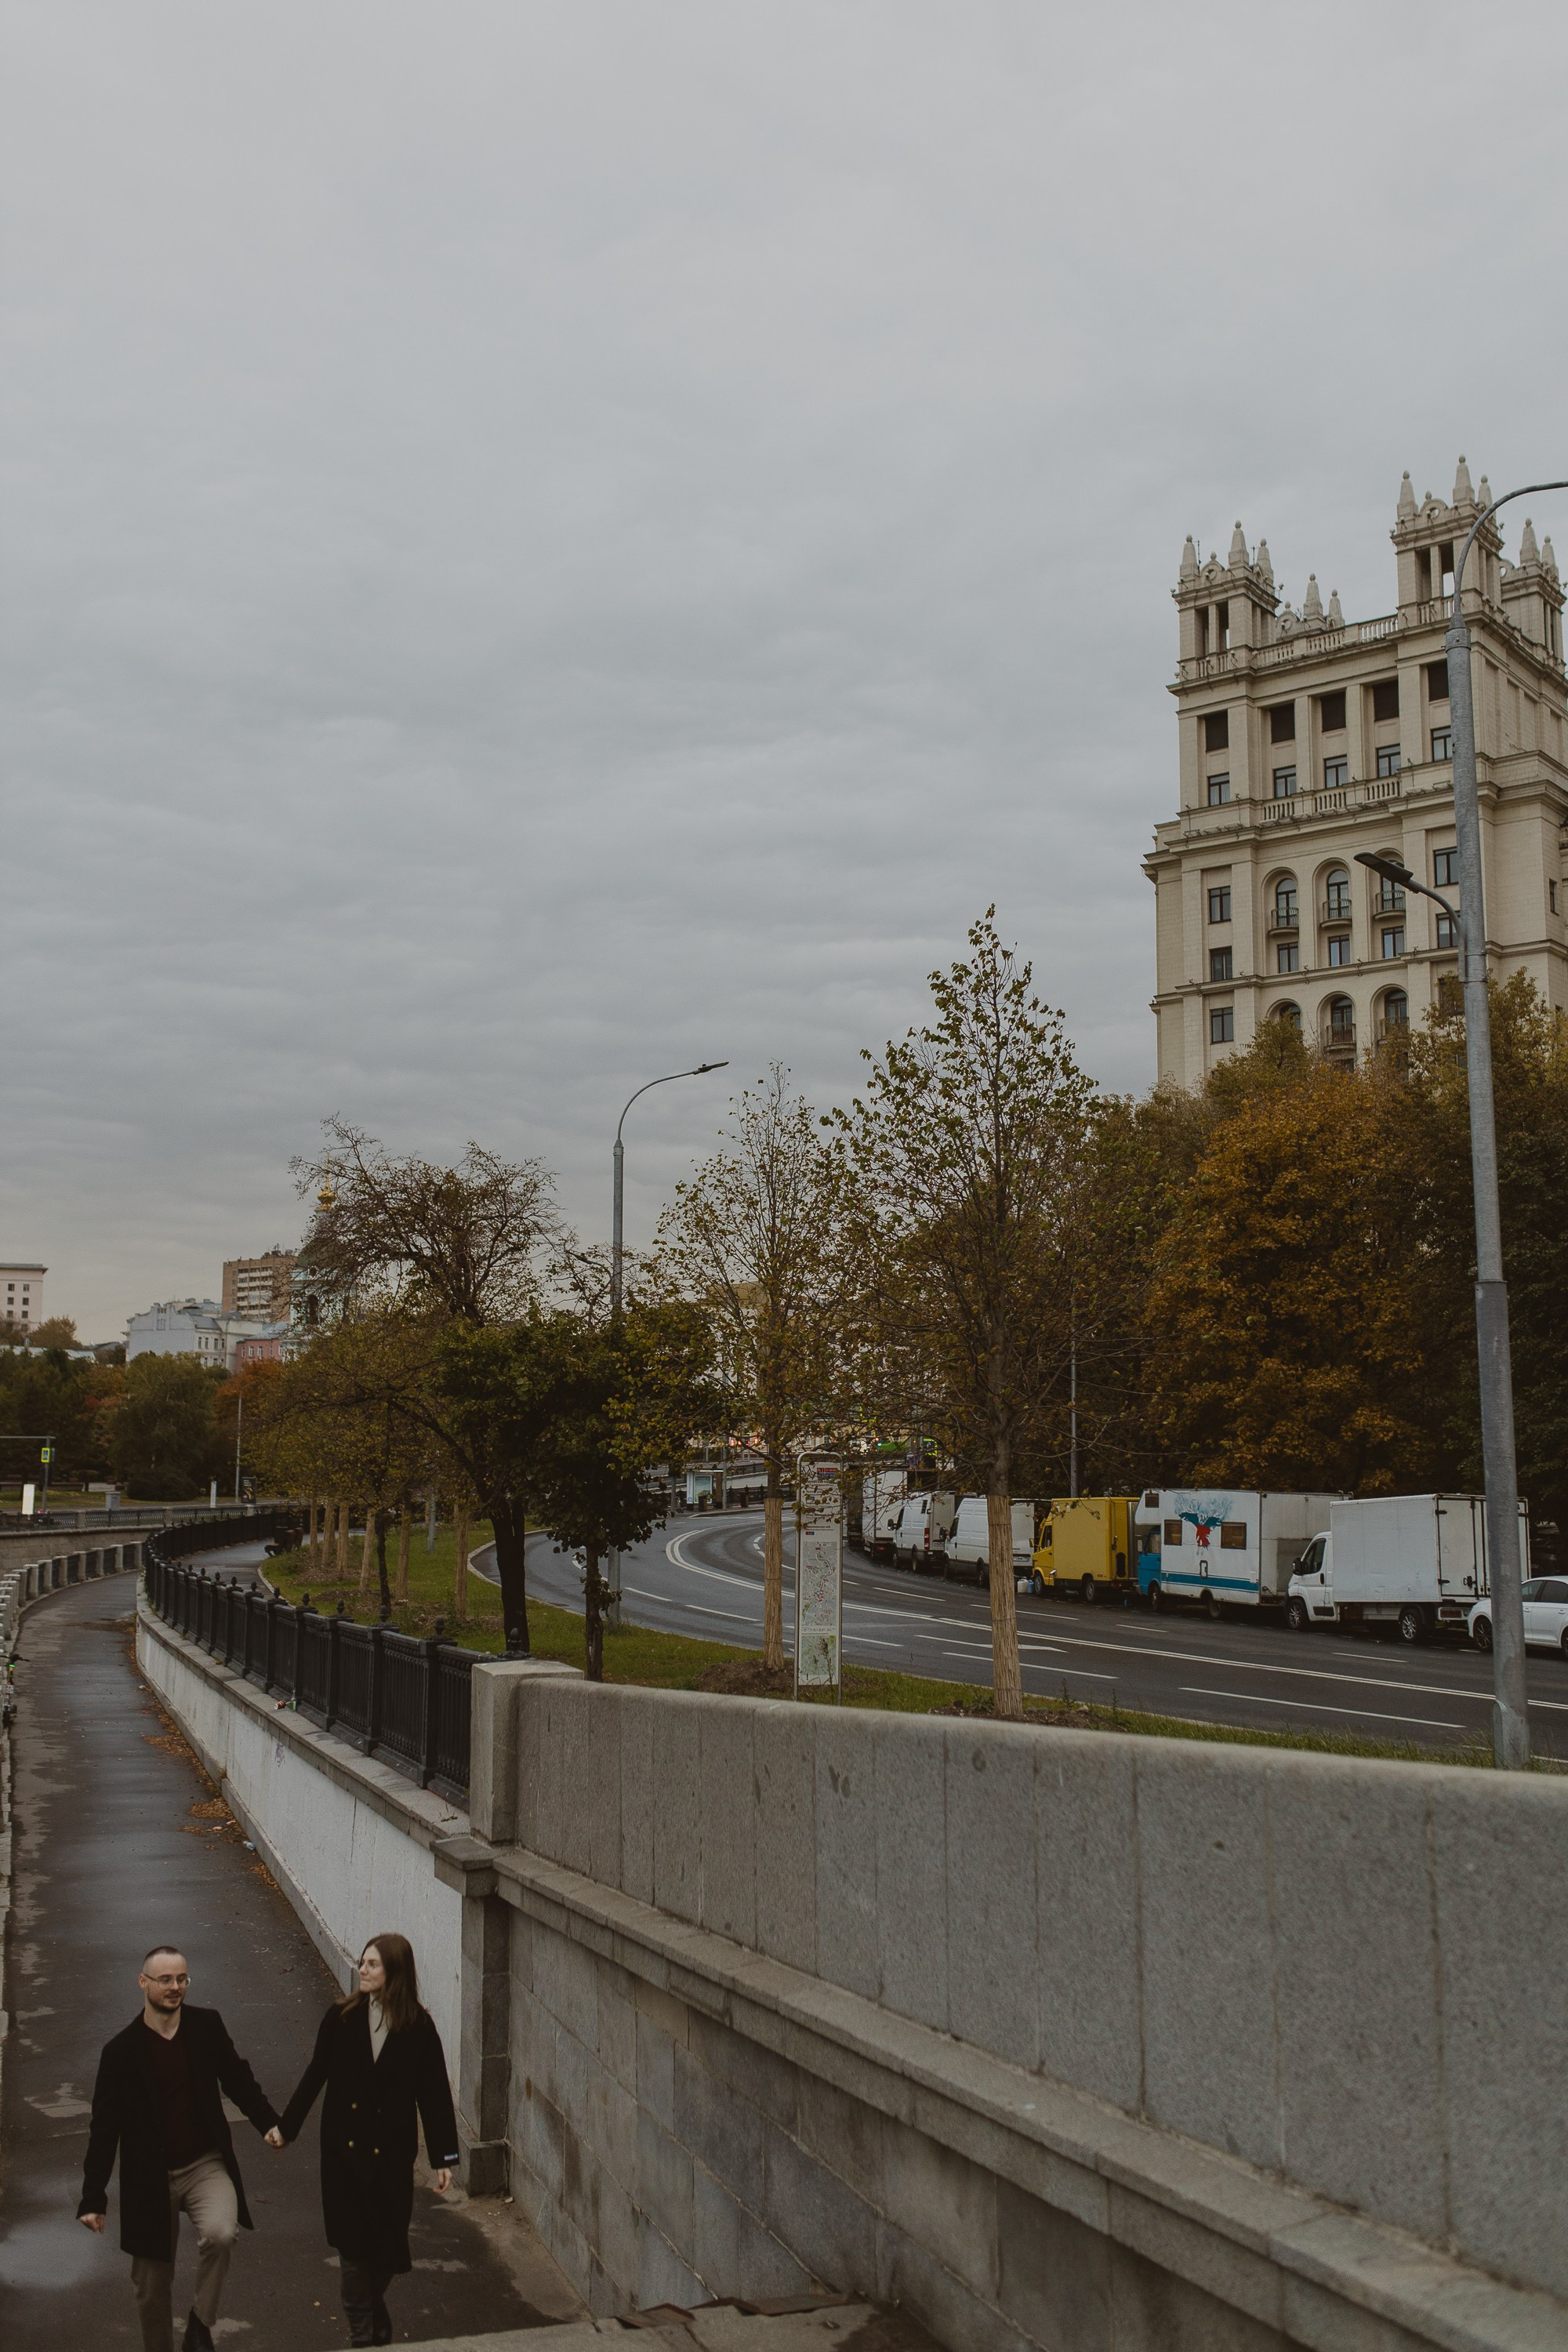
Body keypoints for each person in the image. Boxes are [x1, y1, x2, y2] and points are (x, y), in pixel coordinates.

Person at [78, 1944, 281, 2352]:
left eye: (182, 1979)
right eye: (166, 1979)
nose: (175, 1987)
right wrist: (93, 2197)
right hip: (148, 2179)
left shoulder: (206, 2027)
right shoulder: (120, 2053)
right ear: (144, 1983)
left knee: (222, 2234)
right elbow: (104, 2128)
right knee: (152, 2290)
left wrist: (269, 2122)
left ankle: (200, 2326)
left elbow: (237, 2078)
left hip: (204, 2164)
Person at [270, 1932, 461, 2348]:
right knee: (353, 2253)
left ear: (394, 1972)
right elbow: (315, 2073)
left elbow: (433, 2093)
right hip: (343, 2154)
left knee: (388, 2251)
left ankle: (374, 2315)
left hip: (391, 2158)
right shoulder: (341, 2017)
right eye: (362, 1962)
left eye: (372, 1964)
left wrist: (443, 2157)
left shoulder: (418, 2027)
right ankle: (362, 2339)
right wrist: (287, 2127)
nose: (363, 1969)